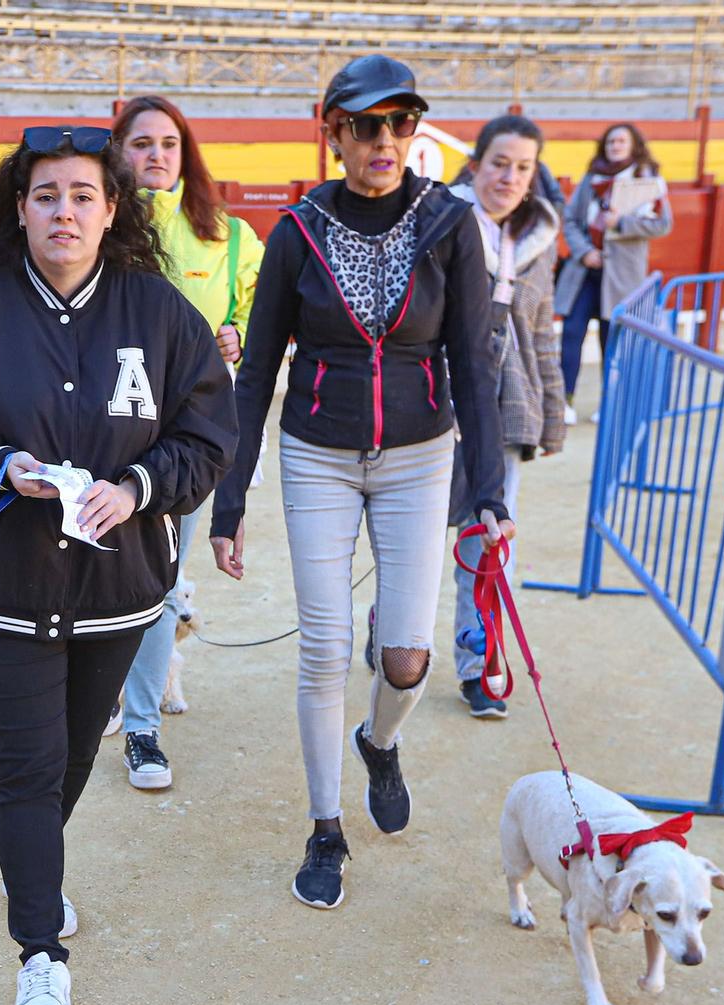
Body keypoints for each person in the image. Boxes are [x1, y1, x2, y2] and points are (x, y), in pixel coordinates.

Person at [0, 125, 235, 1005]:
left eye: (83, 195)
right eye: (46, 195)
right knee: (29, 766)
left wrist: (136, 488)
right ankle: (40, 950)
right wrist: (2, 465)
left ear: (112, 208)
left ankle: (36, 871)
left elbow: (207, 437)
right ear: (19, 208)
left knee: (74, 758)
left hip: (118, 589)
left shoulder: (161, 313)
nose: (64, 212)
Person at [209, 54, 511, 912]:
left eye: (401, 122)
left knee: (408, 656)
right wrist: (230, 502)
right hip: (318, 453)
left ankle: (380, 741)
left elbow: (470, 364)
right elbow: (257, 366)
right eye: (367, 125)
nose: (386, 140)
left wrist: (486, 494)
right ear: (333, 130)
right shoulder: (298, 228)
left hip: (420, 455)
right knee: (324, 644)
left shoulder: (449, 222)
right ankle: (325, 827)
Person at [107, 93, 262, 791]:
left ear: (185, 153)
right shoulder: (97, 224)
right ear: (118, 153)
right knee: (91, 570)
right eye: (141, 144)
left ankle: (141, 724)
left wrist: (243, 334)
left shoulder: (227, 236)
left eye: (168, 144)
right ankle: (99, 695)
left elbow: (260, 308)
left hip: (189, 436)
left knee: (160, 579)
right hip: (102, 427)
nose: (156, 156)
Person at [447, 115, 566, 720]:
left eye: (523, 167)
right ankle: (386, 628)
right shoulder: (443, 222)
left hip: (509, 408)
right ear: (475, 165)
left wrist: (551, 415)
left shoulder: (540, 241)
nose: (509, 177)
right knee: (411, 545)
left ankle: (478, 663)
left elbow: (541, 331)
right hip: (439, 405)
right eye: (499, 163)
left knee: (488, 542)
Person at [554, 122, 670, 421]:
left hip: (621, 273)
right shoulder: (592, 178)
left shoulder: (647, 180)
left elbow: (662, 224)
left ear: (633, 146)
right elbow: (570, 220)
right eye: (610, 141)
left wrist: (620, 224)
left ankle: (611, 402)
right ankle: (563, 401)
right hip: (585, 270)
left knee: (612, 339)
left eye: (621, 141)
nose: (615, 146)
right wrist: (585, 251)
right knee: (571, 332)